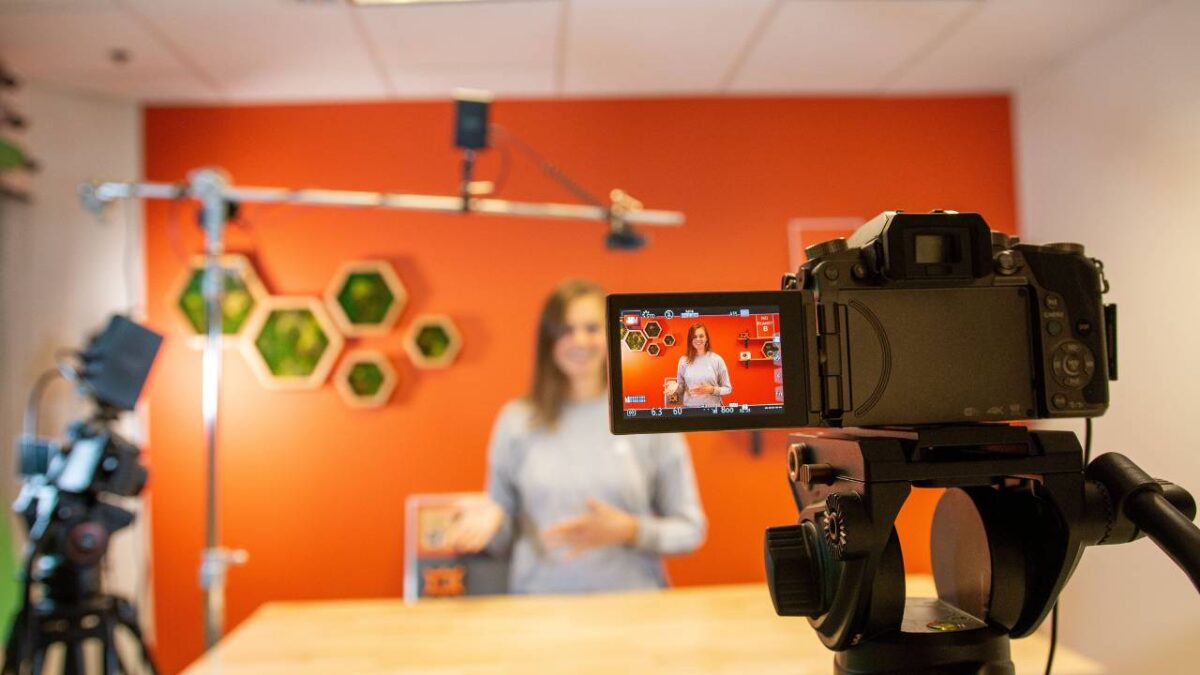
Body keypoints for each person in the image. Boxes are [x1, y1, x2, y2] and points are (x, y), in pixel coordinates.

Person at [444, 280, 707, 593]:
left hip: (635, 607)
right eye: (566, 329)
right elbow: (502, 533)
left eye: (592, 328)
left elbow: (691, 530)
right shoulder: (517, 420)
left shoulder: (648, 416)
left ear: (612, 335)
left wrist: (631, 530)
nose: (579, 340)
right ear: (549, 340)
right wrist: (486, 521)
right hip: (538, 609)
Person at [664, 323, 732, 408]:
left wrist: (712, 390)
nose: (698, 339)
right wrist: (676, 387)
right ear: (690, 339)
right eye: (694, 337)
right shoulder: (683, 360)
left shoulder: (717, 359)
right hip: (690, 409)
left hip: (713, 409)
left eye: (701, 336)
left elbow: (728, 389)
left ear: (706, 338)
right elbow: (681, 389)